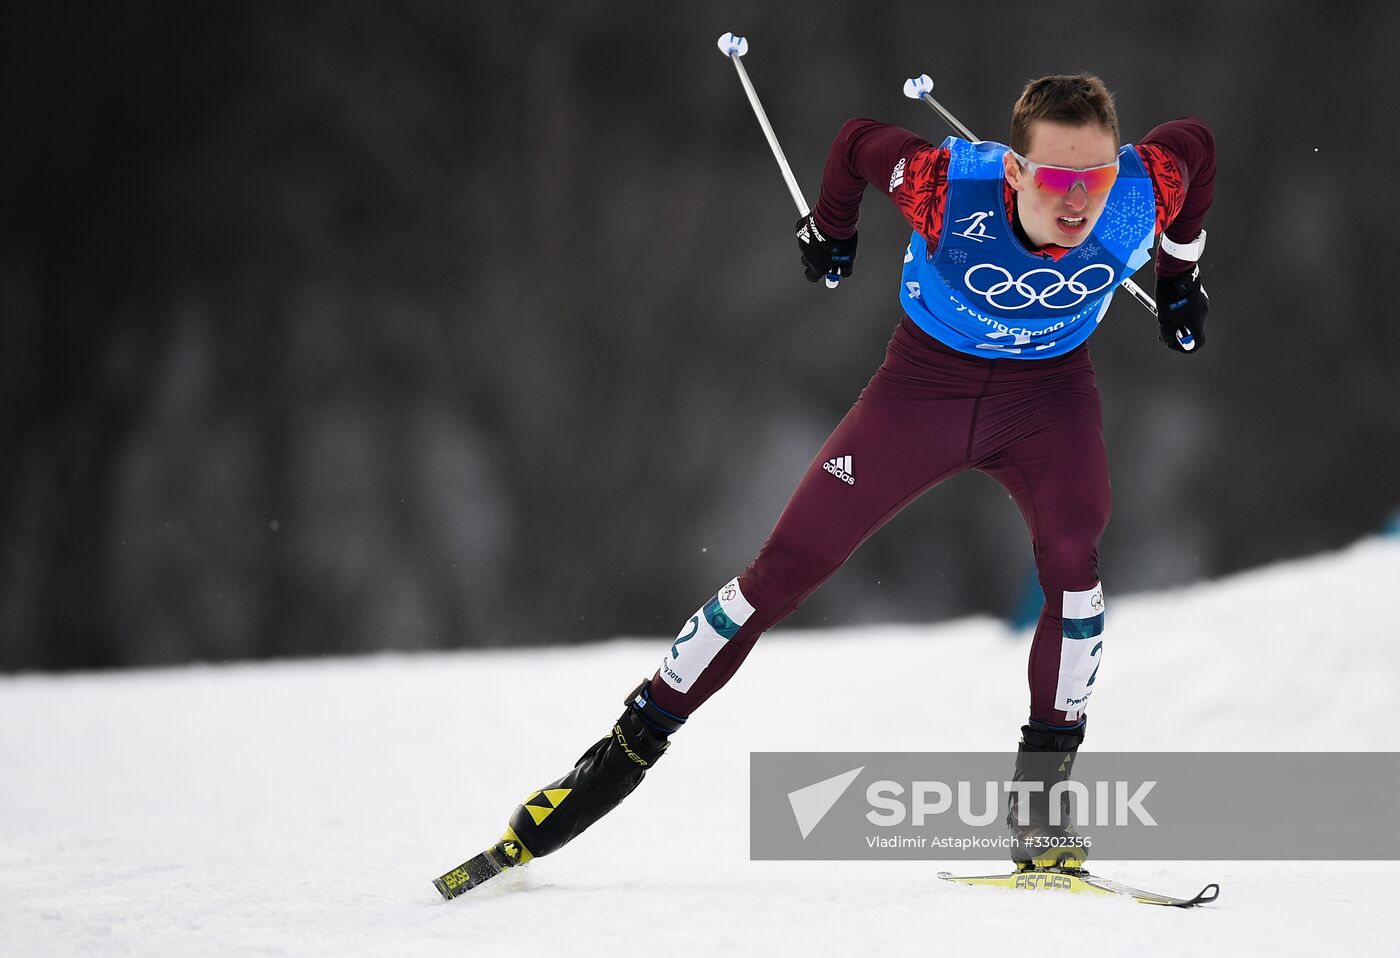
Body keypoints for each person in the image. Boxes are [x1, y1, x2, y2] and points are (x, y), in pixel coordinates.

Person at [492, 74, 1214, 875]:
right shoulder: (951, 190)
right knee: (783, 571)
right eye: (1055, 178)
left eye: (1096, 178)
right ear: (1014, 172)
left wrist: (1178, 279)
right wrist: (833, 231)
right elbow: (856, 143)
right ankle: (617, 759)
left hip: (1046, 402)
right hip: (922, 393)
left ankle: (1041, 807)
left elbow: (1199, 147)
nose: (1079, 203)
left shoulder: (1141, 192)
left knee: (1075, 568)